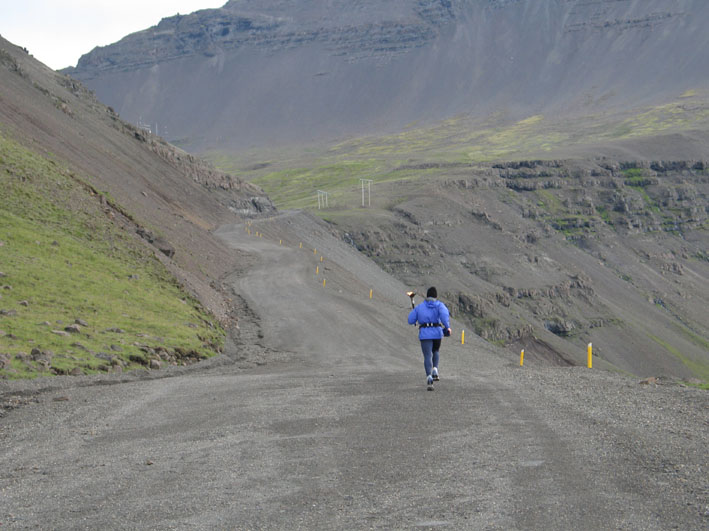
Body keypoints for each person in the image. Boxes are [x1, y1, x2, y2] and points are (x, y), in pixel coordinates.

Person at [408, 287, 451, 389]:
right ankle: (435, 369)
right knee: (436, 351)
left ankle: (429, 378)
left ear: (427, 296)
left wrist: (416, 319)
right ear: (436, 296)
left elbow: (410, 320)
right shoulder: (440, 305)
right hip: (437, 332)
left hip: (425, 334)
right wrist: (448, 327)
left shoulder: (419, 307)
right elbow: (444, 316)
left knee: (427, 356)